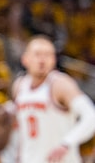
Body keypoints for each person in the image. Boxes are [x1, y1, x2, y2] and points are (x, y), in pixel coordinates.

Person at [11, 35, 95, 163]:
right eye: (37, 54)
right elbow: (21, 129)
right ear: (25, 59)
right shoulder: (19, 86)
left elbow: (91, 116)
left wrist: (66, 143)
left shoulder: (60, 84)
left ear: (54, 60)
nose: (42, 59)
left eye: (48, 55)